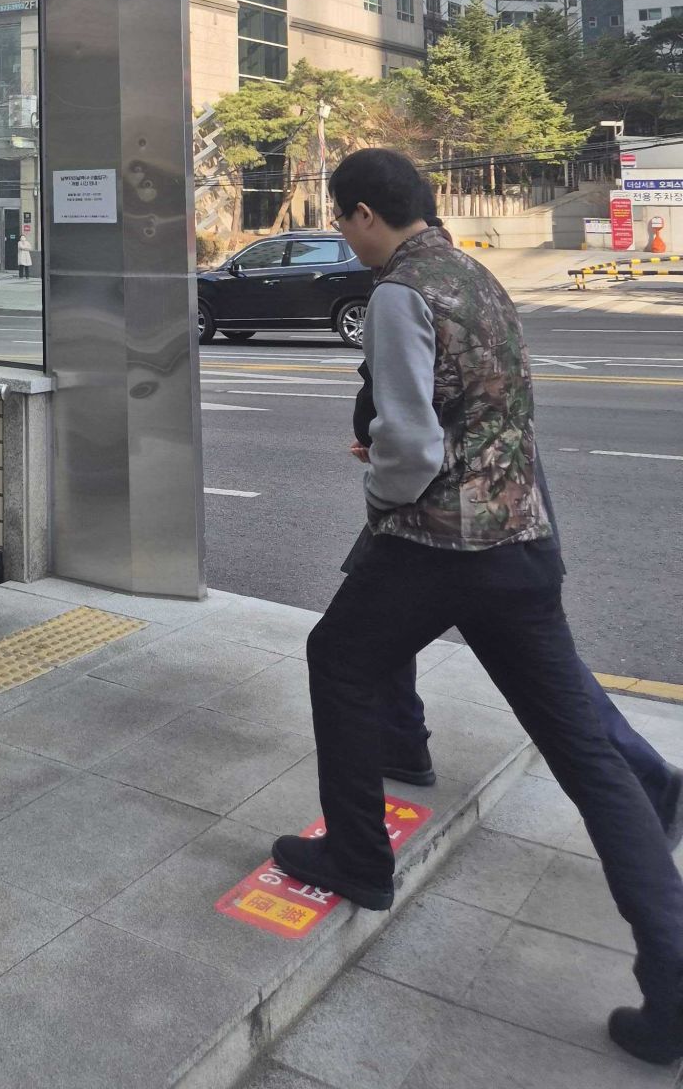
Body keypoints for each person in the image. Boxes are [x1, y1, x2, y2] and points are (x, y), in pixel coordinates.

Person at [273, 148, 683, 1068]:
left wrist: (381, 483)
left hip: (438, 545)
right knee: (586, 756)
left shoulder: (398, 293)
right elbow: (487, 410)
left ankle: (358, 858)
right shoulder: (478, 276)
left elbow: (413, 446)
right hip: (522, 543)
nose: (342, 233)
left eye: (341, 217)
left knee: (338, 658)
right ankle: (674, 968)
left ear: (368, 213)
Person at [349, 361, 683, 835]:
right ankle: (399, 741)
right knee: (376, 626)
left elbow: (404, 413)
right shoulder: (472, 320)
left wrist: (384, 452)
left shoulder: (422, 316)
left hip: (461, 515)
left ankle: (648, 788)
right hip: (475, 504)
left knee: (537, 667)